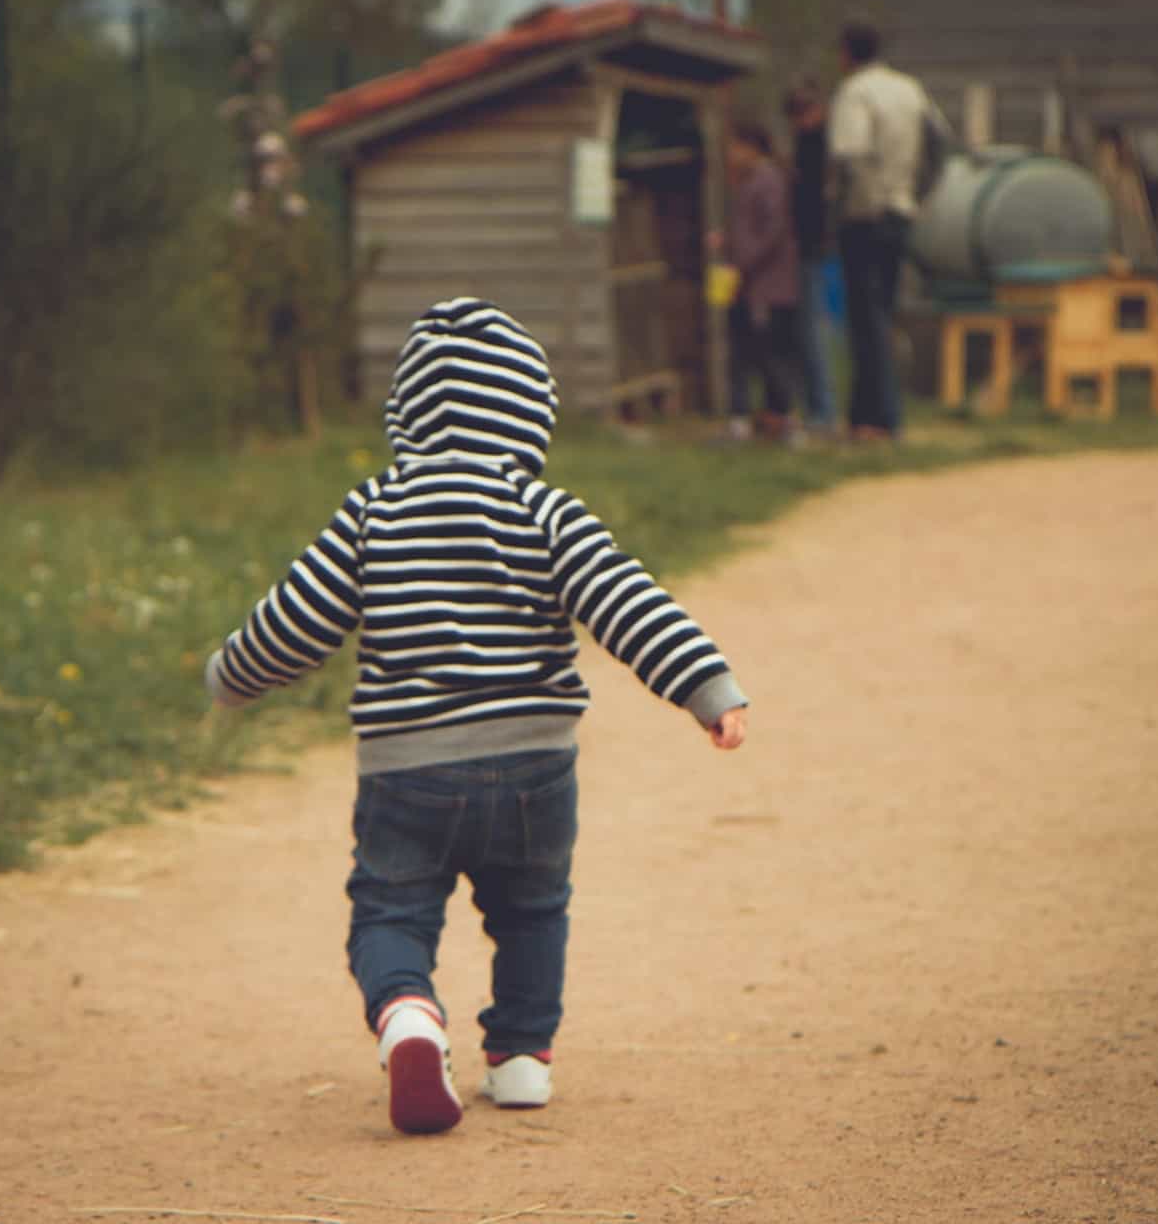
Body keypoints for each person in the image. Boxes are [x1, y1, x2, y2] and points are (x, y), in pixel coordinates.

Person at [205, 297, 750, 1136]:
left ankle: (410, 1017)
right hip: (535, 770)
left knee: (391, 911)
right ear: (531, 409)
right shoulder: (543, 509)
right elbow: (625, 601)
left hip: (406, 775)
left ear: (407, 411)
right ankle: (523, 1058)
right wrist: (706, 688)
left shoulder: (373, 511)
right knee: (533, 909)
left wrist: (232, 676)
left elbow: (296, 618)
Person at [828, 22, 936, 442]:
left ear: (846, 54)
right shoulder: (909, 89)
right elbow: (938, 147)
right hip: (901, 211)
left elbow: (849, 154)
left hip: (866, 216)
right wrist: (916, 195)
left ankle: (882, 419)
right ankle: (863, 417)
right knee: (882, 313)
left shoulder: (856, 92)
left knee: (865, 319)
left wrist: (849, 205)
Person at [714, 121, 802, 443]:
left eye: (735, 147)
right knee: (742, 353)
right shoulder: (749, 181)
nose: (731, 154)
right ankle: (745, 420)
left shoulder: (769, 180)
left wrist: (742, 261)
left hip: (767, 287)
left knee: (770, 356)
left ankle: (785, 420)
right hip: (748, 285)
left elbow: (772, 232)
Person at [784, 82, 840, 436]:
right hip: (807, 248)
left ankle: (822, 410)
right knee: (805, 333)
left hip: (811, 248)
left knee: (810, 332)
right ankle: (816, 407)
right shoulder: (811, 145)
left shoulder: (817, 148)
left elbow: (810, 204)